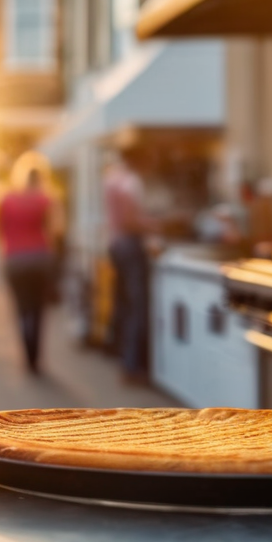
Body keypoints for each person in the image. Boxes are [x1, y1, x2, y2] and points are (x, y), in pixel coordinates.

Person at [0, 155, 63, 374]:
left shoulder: (5, 199)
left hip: (14, 260)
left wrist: (7, 246)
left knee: (22, 308)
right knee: (38, 310)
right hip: (40, 259)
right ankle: (36, 357)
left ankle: (27, 356)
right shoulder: (46, 199)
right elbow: (56, 230)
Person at [103, 145, 158, 385]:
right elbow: (130, 220)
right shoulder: (131, 181)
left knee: (124, 304)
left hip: (115, 243)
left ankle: (124, 358)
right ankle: (134, 366)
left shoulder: (111, 178)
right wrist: (156, 225)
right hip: (129, 245)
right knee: (137, 306)